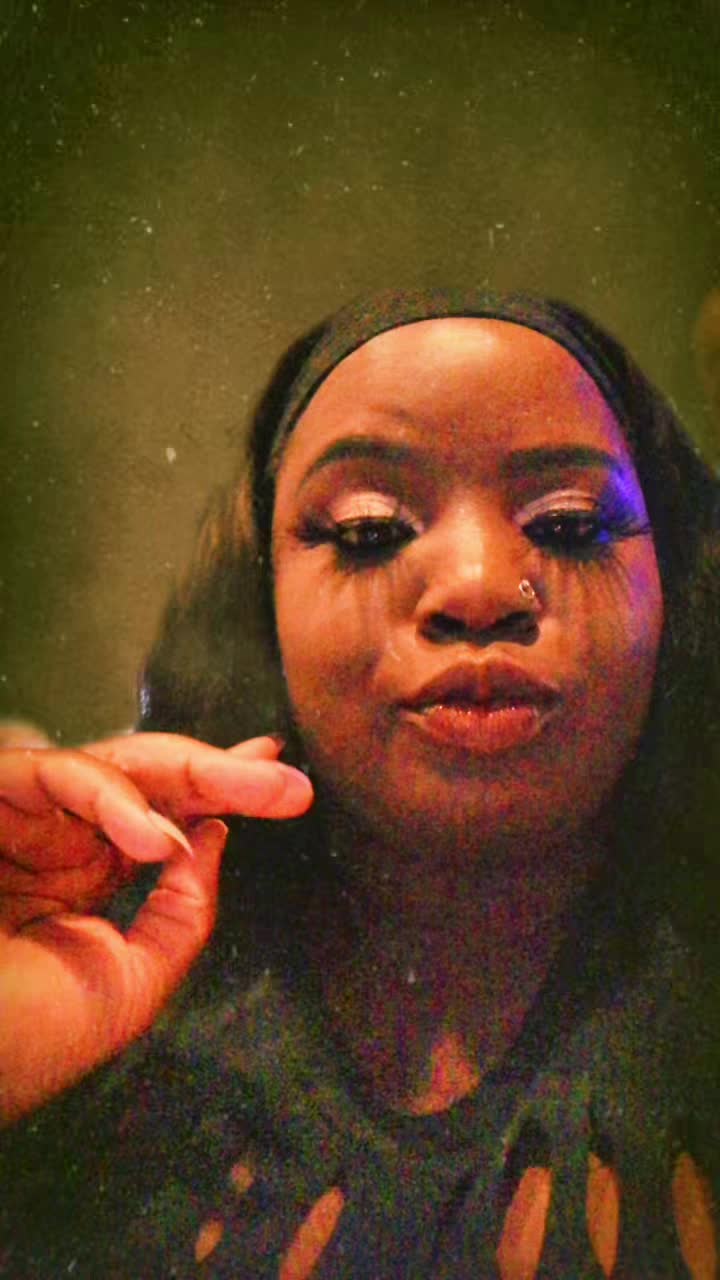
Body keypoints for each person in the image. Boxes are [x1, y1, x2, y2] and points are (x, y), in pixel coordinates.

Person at [1, 289, 718, 1279]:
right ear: (260, 605)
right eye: (372, 530)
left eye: (567, 523)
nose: (478, 587)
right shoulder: (79, 978)